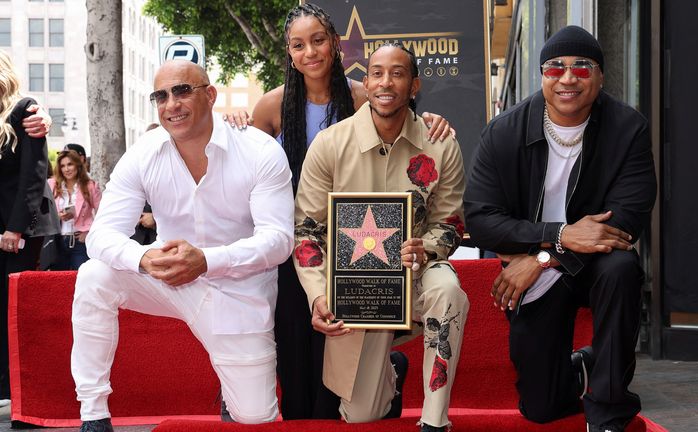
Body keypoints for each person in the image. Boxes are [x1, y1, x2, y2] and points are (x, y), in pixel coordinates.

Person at [225, 3, 453, 420]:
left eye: (317, 41)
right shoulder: (271, 106)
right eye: (298, 45)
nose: (309, 52)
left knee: (337, 364)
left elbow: (404, 121)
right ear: (289, 53)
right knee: (298, 342)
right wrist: (234, 122)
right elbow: (240, 169)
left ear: (334, 44)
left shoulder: (365, 95)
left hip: (357, 244)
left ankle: (382, 375)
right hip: (296, 240)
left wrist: (434, 120)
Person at [70, 60, 294, 432]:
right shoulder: (143, 153)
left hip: (238, 290)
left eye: (182, 91)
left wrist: (207, 260)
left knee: (256, 420)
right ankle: (93, 414)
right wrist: (144, 257)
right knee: (94, 275)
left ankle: (232, 393)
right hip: (169, 280)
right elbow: (101, 235)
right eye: (161, 96)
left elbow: (278, 241)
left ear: (210, 95)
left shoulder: (259, 150)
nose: (171, 103)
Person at [463, 26, 657, 432]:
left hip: (595, 265)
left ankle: (608, 411)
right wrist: (557, 240)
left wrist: (546, 256)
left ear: (600, 77)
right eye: (556, 68)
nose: (568, 78)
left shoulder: (628, 129)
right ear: (542, 75)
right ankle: (582, 366)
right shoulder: (504, 132)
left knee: (622, 268)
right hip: (539, 263)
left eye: (582, 68)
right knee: (541, 406)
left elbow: (625, 223)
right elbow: (480, 221)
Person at [294, 44, 467, 432]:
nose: (385, 82)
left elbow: (451, 223)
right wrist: (318, 295)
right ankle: (394, 368)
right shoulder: (329, 145)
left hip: (419, 272)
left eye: (397, 73)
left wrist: (427, 249)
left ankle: (435, 420)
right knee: (362, 416)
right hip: (357, 287)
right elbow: (306, 230)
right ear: (366, 82)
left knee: (448, 290)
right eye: (376, 73)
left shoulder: (441, 145)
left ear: (414, 85)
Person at [0, 49, 60, 406]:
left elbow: (34, 172)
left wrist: (16, 228)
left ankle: (21, 389)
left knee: (17, 309)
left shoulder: (25, 109)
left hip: (22, 228)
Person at [48, 149, 101, 270]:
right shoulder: (52, 185)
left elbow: (103, 213)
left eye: (70, 164)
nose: (66, 169)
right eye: (63, 166)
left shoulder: (90, 186)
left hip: (80, 241)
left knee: (81, 277)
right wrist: (58, 216)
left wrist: (89, 232)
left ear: (77, 165)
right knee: (58, 280)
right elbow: (44, 212)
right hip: (58, 241)